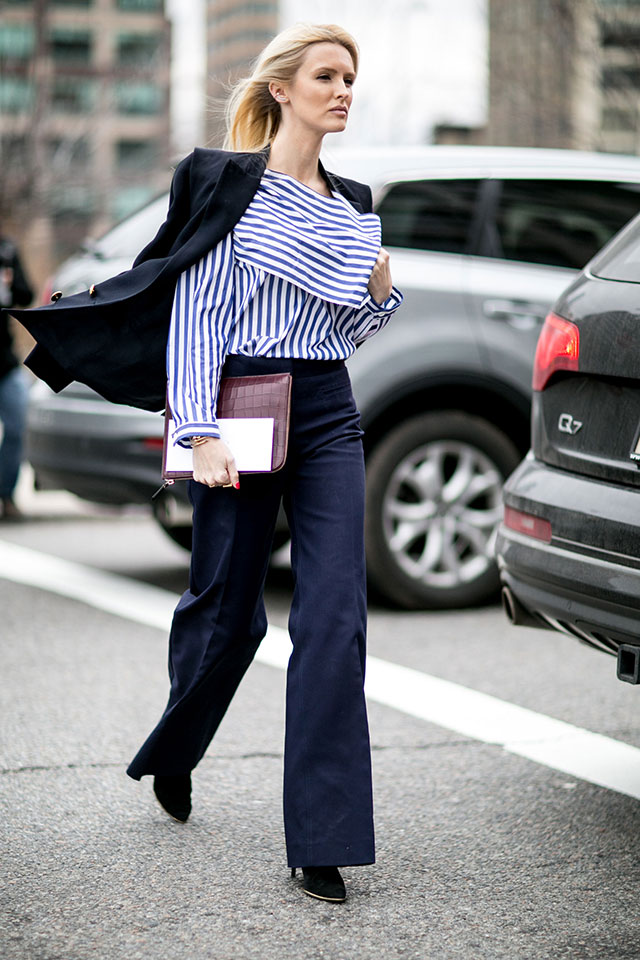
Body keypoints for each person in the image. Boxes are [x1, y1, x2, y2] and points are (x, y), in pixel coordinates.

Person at [7, 23, 402, 903]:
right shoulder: (235, 188)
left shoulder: (350, 207)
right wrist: (197, 431)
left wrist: (378, 293)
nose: (343, 90)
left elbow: (347, 327)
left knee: (334, 617)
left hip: (328, 408)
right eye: (327, 76)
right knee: (227, 613)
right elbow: (199, 316)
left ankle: (324, 838)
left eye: (350, 77)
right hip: (242, 401)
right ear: (282, 90)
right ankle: (177, 749)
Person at [0, 234, 33, 521]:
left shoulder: (6, 250)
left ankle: (6, 494)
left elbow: (26, 295)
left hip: (5, 360)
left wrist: (9, 283)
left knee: (18, 423)